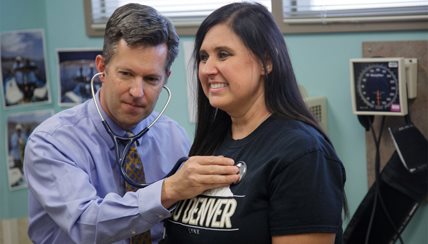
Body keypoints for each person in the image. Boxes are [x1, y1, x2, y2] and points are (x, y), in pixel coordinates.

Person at [23, 3, 239, 244]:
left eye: (151, 79)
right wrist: (168, 190)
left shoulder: (174, 137)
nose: (137, 92)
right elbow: (85, 224)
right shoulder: (52, 141)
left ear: (165, 78)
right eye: (125, 74)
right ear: (102, 68)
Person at [164, 2, 347, 244]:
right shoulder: (211, 143)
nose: (208, 69)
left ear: (266, 61)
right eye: (203, 57)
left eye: (224, 54)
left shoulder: (303, 153)